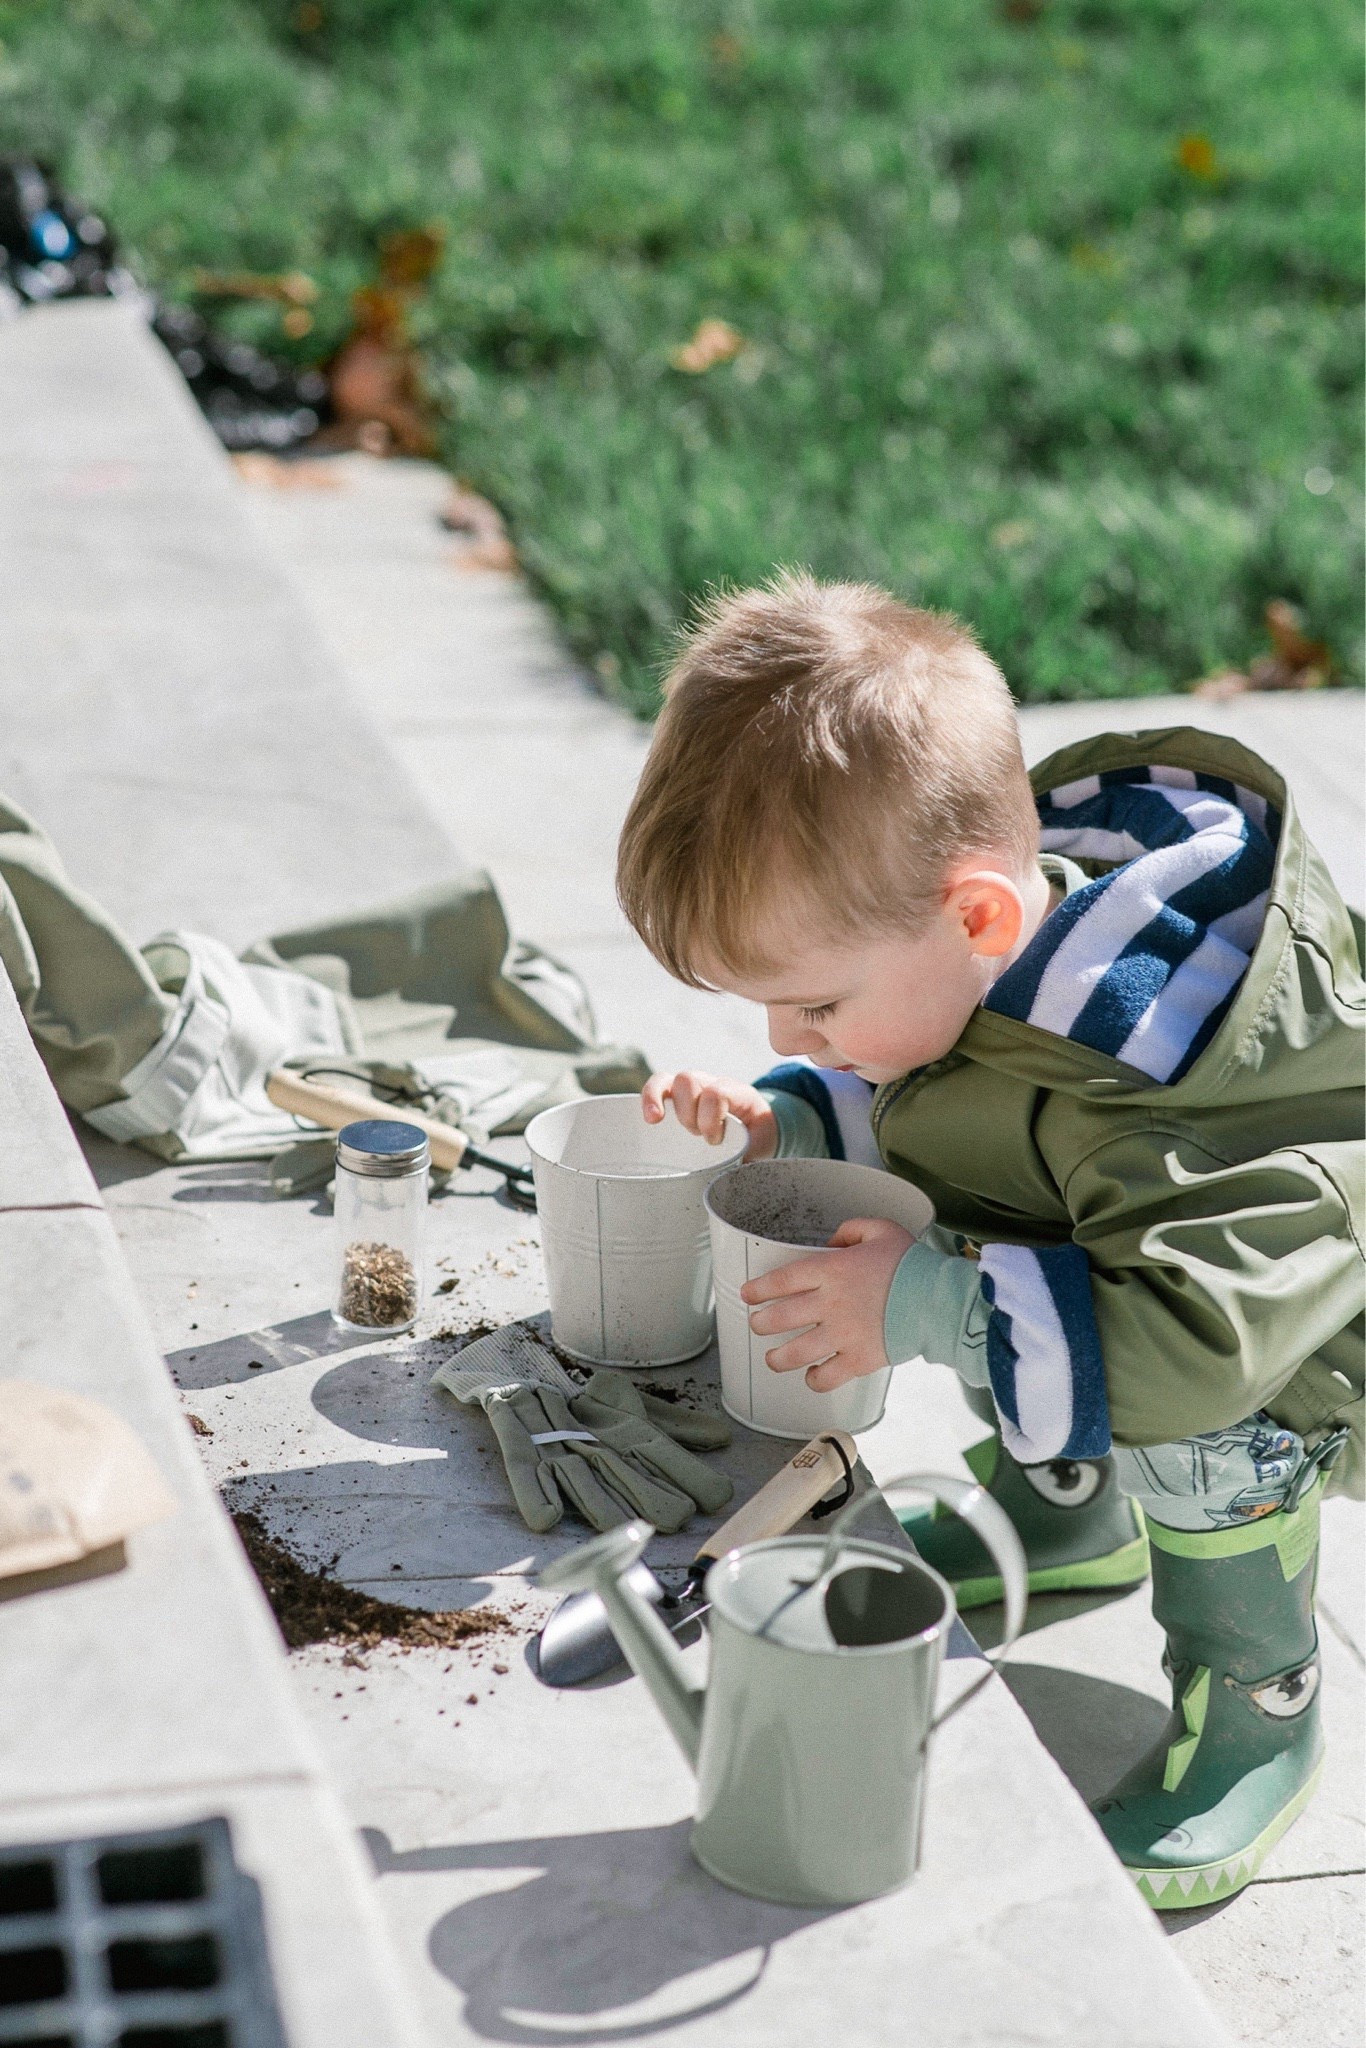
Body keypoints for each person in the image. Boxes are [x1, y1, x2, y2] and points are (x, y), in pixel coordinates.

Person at [616, 572, 1363, 1910]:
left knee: (1177, 1428)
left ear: (975, 919)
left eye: (815, 1005)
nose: (790, 1037)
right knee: (961, 1236)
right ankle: (1069, 1514)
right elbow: (937, 1102)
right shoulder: (986, 967)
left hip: (1287, 1356)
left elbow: (1188, 1347)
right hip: (1141, 1283)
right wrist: (782, 1123)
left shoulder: (1180, 1095)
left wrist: (924, 1316)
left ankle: (1259, 1711)